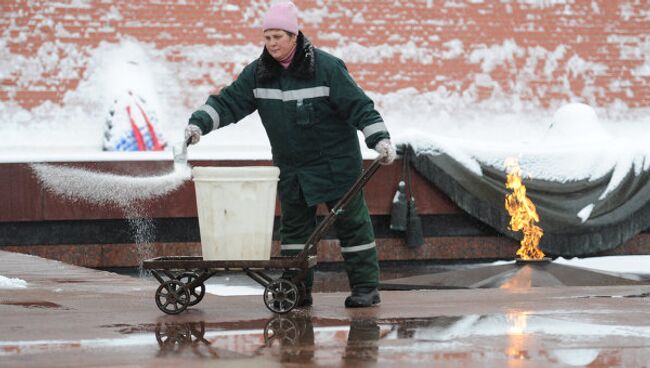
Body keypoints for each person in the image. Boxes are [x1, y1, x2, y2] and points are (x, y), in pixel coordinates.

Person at [184, 1, 396, 308]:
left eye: (278, 37)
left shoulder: (327, 68)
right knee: (295, 233)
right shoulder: (258, 75)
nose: (271, 44)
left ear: (294, 36)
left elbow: (359, 106)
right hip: (293, 168)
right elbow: (228, 102)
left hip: (336, 165)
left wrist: (379, 139)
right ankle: (298, 291)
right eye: (267, 37)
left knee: (353, 226)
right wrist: (198, 124)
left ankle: (366, 288)